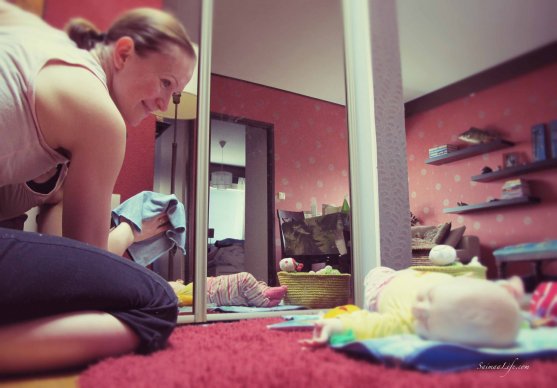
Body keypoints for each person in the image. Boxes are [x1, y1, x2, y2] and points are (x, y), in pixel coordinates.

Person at [0, 1, 197, 374]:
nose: (162, 103)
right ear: (123, 53)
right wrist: (130, 230)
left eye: (173, 94)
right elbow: (92, 277)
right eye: (165, 82)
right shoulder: (102, 119)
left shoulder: (39, 43)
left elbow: (65, 253)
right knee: (158, 301)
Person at [301, 266, 524, 348]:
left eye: (426, 322)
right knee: (474, 277)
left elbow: (371, 325)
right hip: (417, 273)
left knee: (374, 271)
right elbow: (477, 290)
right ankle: (506, 287)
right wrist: (505, 292)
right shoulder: (457, 286)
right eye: (429, 298)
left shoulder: (406, 322)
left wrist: (335, 326)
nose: (420, 310)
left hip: (380, 287)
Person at [170, 272, 289, 308]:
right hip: (214, 292)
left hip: (215, 284)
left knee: (249, 289)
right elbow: (184, 300)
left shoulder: (186, 286)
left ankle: (265, 291)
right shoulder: (182, 294)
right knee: (245, 279)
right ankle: (264, 301)